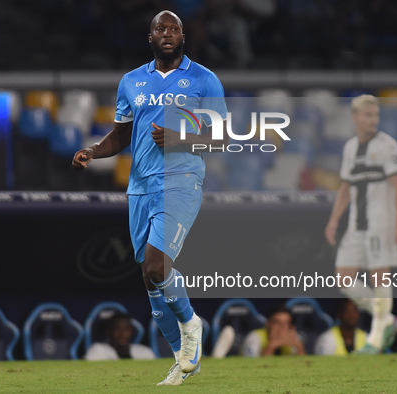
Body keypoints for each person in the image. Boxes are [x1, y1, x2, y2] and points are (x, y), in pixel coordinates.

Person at [73, 10, 227, 386]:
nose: (168, 33)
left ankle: (191, 323)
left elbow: (222, 137)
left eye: (174, 28)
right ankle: (181, 359)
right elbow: (121, 135)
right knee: (149, 278)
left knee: (157, 268)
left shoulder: (204, 79)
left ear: (183, 38)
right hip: (139, 186)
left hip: (181, 181)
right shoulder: (131, 82)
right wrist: (93, 151)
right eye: (161, 28)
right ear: (150, 37)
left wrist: (180, 139)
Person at [325, 94, 397, 354]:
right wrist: (334, 219)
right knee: (343, 277)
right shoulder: (350, 147)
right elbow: (345, 187)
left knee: (378, 276)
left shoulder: (388, 146)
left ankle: (375, 338)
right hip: (355, 224)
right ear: (355, 117)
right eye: (368, 115)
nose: (373, 120)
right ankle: (388, 319)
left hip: (381, 222)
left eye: (376, 115)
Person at [85, 313, 155, 361]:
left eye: (126, 329)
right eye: (117, 329)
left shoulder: (145, 352)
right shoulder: (98, 350)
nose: (122, 334)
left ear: (131, 331)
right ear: (109, 331)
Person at [241, 304, 305, 357]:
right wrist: (271, 346)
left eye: (286, 323)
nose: (282, 327)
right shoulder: (254, 337)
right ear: (268, 324)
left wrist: (299, 347)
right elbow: (251, 367)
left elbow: (304, 366)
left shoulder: (293, 337)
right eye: (277, 322)